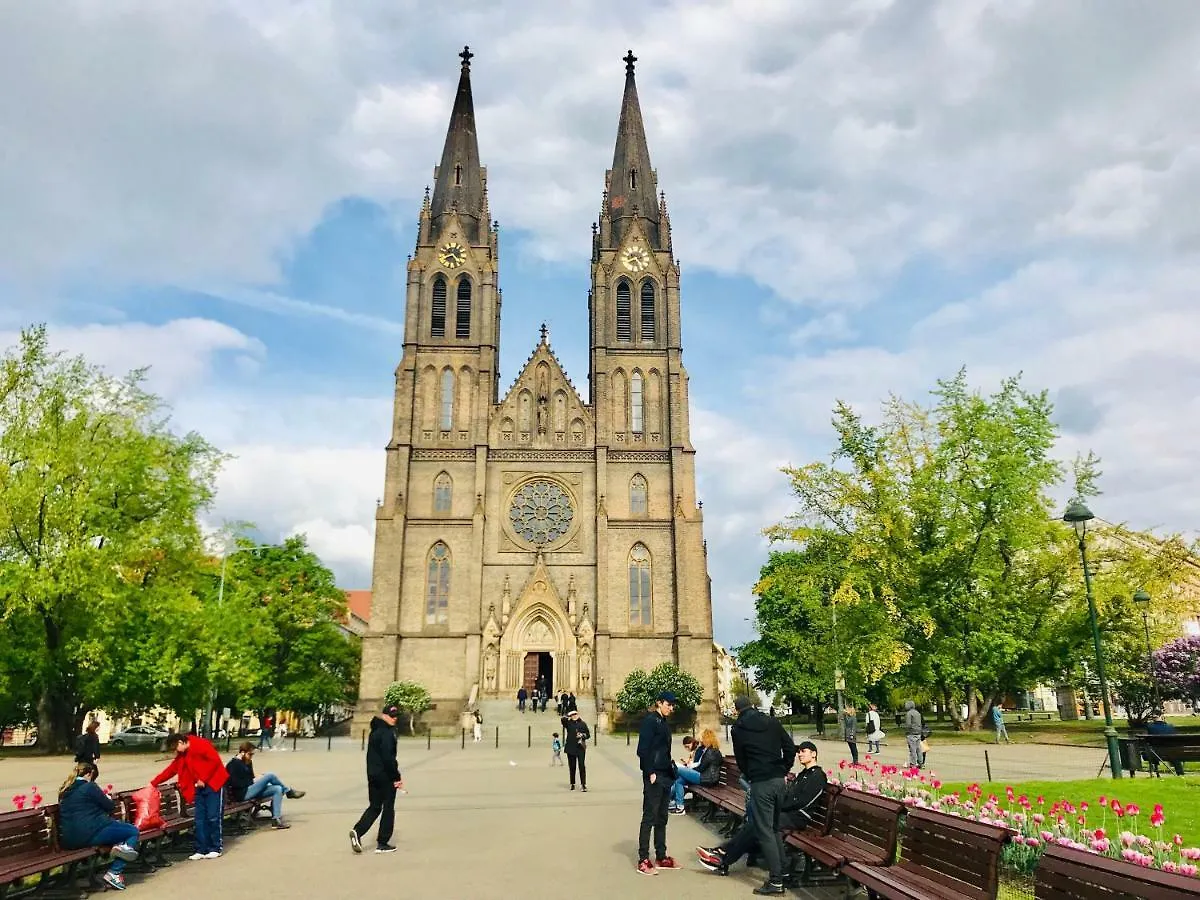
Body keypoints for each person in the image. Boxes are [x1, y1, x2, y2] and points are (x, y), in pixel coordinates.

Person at [697, 740, 827, 882]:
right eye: (799, 752)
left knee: (759, 824)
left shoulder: (818, 776)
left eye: (803, 751)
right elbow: (788, 796)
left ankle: (723, 855)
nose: (799, 754)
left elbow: (803, 801)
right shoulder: (803, 774)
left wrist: (778, 806)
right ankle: (723, 856)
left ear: (813, 754)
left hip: (798, 817)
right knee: (756, 824)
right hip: (786, 814)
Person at [731, 694, 797, 895]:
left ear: (737, 710)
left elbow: (741, 759)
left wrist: (752, 774)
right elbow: (789, 747)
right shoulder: (772, 722)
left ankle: (776, 880)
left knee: (765, 831)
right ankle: (783, 870)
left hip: (761, 782)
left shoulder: (738, 729)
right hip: (779, 780)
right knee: (775, 828)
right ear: (752, 706)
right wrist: (784, 768)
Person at [58, 763, 139, 891]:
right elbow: (110, 806)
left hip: (69, 839)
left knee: (119, 833)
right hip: (91, 834)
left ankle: (121, 847)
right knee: (132, 831)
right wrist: (106, 798)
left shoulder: (65, 789)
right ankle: (114, 872)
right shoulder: (89, 787)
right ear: (89, 774)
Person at [151, 733, 229, 860]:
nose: (175, 751)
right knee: (200, 819)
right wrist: (154, 783)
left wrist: (203, 778)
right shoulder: (183, 755)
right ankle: (201, 848)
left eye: (175, 747)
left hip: (214, 784)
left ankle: (215, 847)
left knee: (213, 816)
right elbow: (172, 769)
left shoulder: (201, 744)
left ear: (181, 742)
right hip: (199, 786)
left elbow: (214, 761)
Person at [350, 703, 404, 854]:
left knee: (374, 806)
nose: (394, 719)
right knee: (388, 808)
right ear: (384, 715)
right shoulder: (387, 733)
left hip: (373, 775)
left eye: (396, 716)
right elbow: (389, 758)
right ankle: (383, 842)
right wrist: (396, 777)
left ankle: (357, 831)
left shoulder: (375, 731)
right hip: (385, 776)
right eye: (391, 716)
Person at [635, 691, 679, 875]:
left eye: (672, 705)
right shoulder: (650, 721)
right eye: (668, 704)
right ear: (659, 703)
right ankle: (643, 859)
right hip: (654, 775)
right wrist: (650, 771)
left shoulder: (663, 722)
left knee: (662, 817)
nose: (671, 707)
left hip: (665, 774)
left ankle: (661, 855)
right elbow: (642, 750)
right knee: (649, 817)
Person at [225, 742, 305, 829]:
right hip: (242, 793)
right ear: (242, 752)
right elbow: (235, 783)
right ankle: (288, 791)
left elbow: (251, 777)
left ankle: (276, 820)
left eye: (253, 754)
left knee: (277, 789)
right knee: (270, 775)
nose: (251, 756)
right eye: (250, 754)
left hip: (251, 789)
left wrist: (258, 778)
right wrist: (253, 781)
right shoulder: (233, 765)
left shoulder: (248, 762)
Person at [671, 730, 723, 814]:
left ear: (708, 739)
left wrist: (689, 771)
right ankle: (679, 807)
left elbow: (701, 768)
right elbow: (700, 766)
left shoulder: (711, 752)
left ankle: (669, 798)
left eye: (703, 738)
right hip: (704, 776)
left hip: (707, 779)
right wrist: (688, 772)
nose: (702, 740)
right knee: (679, 781)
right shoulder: (708, 750)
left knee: (678, 769)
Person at [564, 709, 591, 791]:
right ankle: (572, 783)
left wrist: (582, 735)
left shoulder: (583, 724)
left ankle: (583, 784)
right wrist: (568, 716)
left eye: (575, 714)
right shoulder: (568, 723)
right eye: (572, 715)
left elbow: (588, 735)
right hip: (571, 747)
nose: (574, 716)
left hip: (580, 748)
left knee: (581, 766)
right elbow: (563, 720)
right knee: (572, 767)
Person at [904, 700, 923, 769]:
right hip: (918, 732)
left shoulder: (909, 713)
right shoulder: (917, 713)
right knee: (918, 749)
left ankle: (913, 764)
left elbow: (908, 724)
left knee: (912, 749)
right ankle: (921, 763)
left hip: (911, 733)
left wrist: (906, 731)